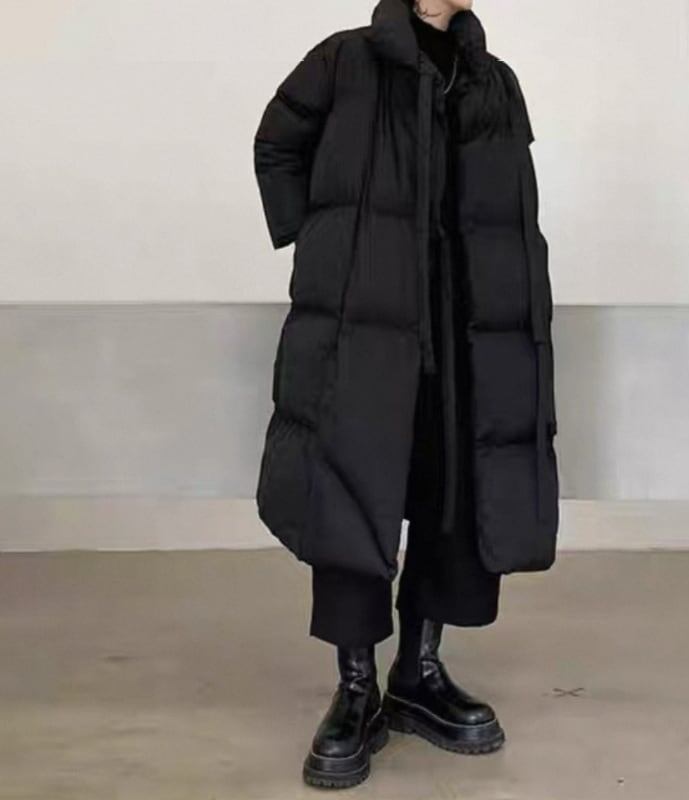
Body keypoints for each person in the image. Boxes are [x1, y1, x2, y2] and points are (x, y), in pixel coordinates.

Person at [253, 0, 559, 789]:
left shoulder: (495, 81)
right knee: (351, 492)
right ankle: (356, 689)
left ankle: (418, 675)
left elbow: (513, 205)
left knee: (456, 492)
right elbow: (276, 144)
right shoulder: (343, 61)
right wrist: (329, 241)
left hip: (467, 328)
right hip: (364, 325)